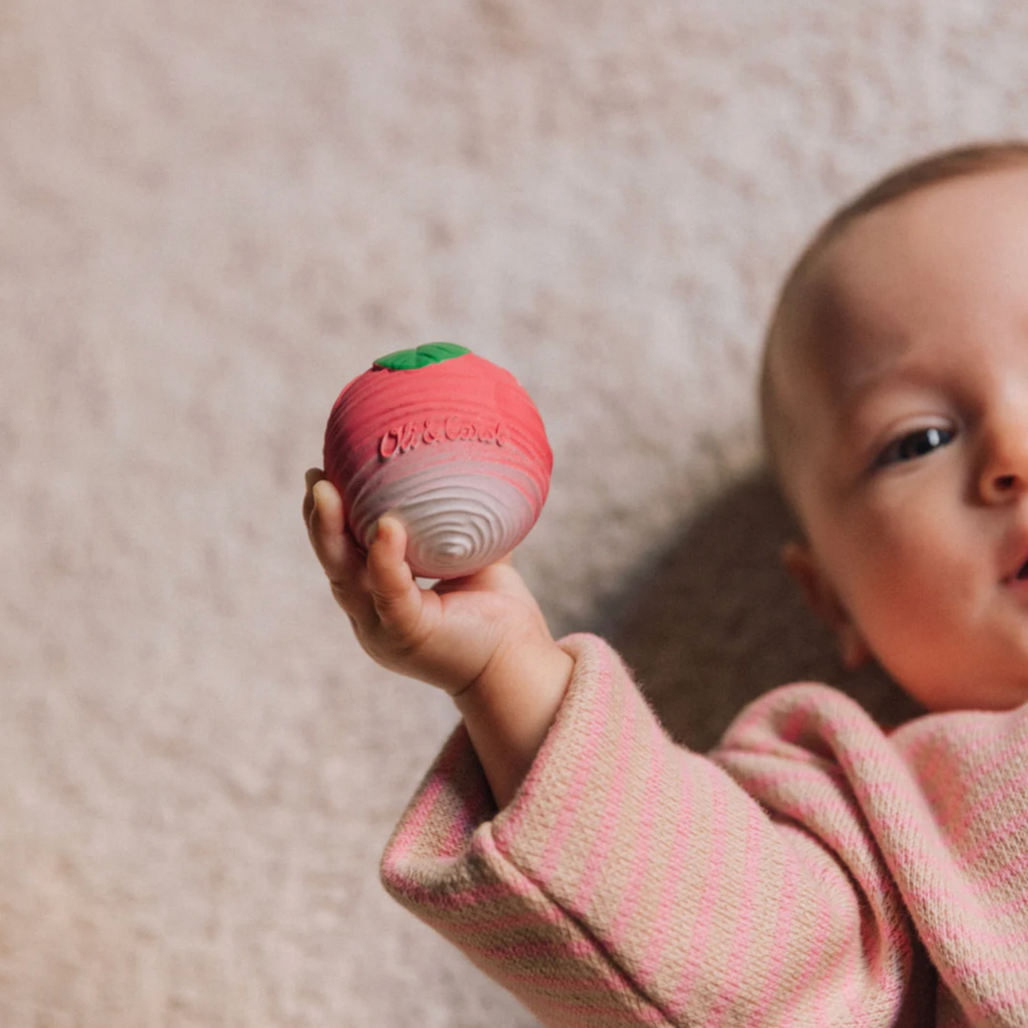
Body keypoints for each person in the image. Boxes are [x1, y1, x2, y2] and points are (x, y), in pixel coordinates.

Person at [303, 142, 1028, 1027]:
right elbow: (739, 970)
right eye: (916, 441)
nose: (1012, 455)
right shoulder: (889, 819)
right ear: (834, 599)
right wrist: (505, 673)